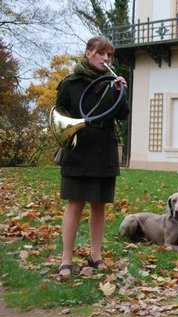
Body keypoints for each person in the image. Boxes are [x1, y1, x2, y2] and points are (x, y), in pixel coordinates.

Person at [55, 36, 129, 279]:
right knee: (75, 204)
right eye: (100, 53)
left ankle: (95, 255)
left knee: (99, 205)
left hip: (103, 150)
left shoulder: (111, 83)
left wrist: (120, 91)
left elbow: (122, 115)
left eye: (109, 55)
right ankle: (65, 259)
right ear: (88, 53)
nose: (106, 58)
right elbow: (59, 117)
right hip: (78, 151)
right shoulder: (70, 83)